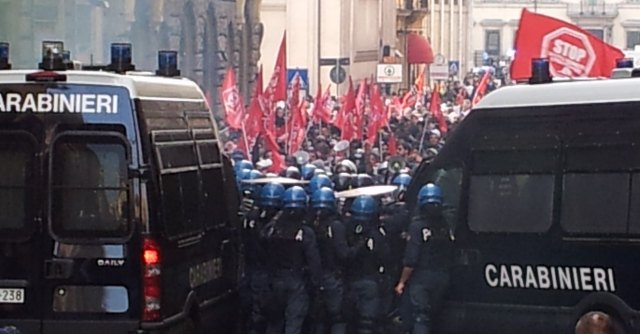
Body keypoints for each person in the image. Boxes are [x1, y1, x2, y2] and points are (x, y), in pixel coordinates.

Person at [261, 186, 322, 334]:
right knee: (293, 324)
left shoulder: (272, 229)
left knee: (274, 322)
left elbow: (262, 246)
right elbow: (314, 261)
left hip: (275, 280)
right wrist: (316, 285)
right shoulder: (305, 232)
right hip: (296, 281)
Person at [395, 183, 454, 334]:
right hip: (442, 275)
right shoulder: (444, 224)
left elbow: (411, 259)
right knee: (432, 316)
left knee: (420, 317)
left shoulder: (417, 226)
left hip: (422, 277)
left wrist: (401, 282)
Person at [307, 187, 360, 334]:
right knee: (338, 316)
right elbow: (343, 254)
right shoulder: (335, 225)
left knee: (319, 315)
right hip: (332, 275)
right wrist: (358, 246)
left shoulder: (310, 224)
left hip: (313, 275)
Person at [241, 182, 285, 334]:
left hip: (253, 269)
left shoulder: (250, 217)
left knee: (256, 310)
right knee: (271, 313)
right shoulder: (276, 224)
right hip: (268, 271)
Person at [345, 195, 391, 334]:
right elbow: (386, 257)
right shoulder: (377, 234)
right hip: (370, 281)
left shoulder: (346, 231)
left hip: (349, 281)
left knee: (348, 323)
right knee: (367, 324)